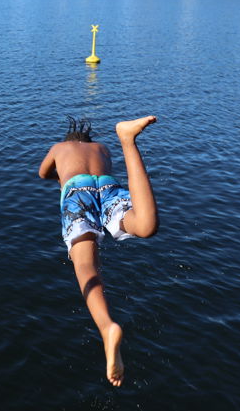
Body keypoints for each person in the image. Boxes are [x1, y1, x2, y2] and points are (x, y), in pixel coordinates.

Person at [37, 115, 159, 387]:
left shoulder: (58, 147)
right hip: (107, 186)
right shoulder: (102, 149)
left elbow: (43, 173)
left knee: (85, 266)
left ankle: (107, 327)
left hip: (77, 192)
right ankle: (128, 141)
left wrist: (62, 176)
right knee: (144, 226)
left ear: (68, 140)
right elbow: (99, 172)